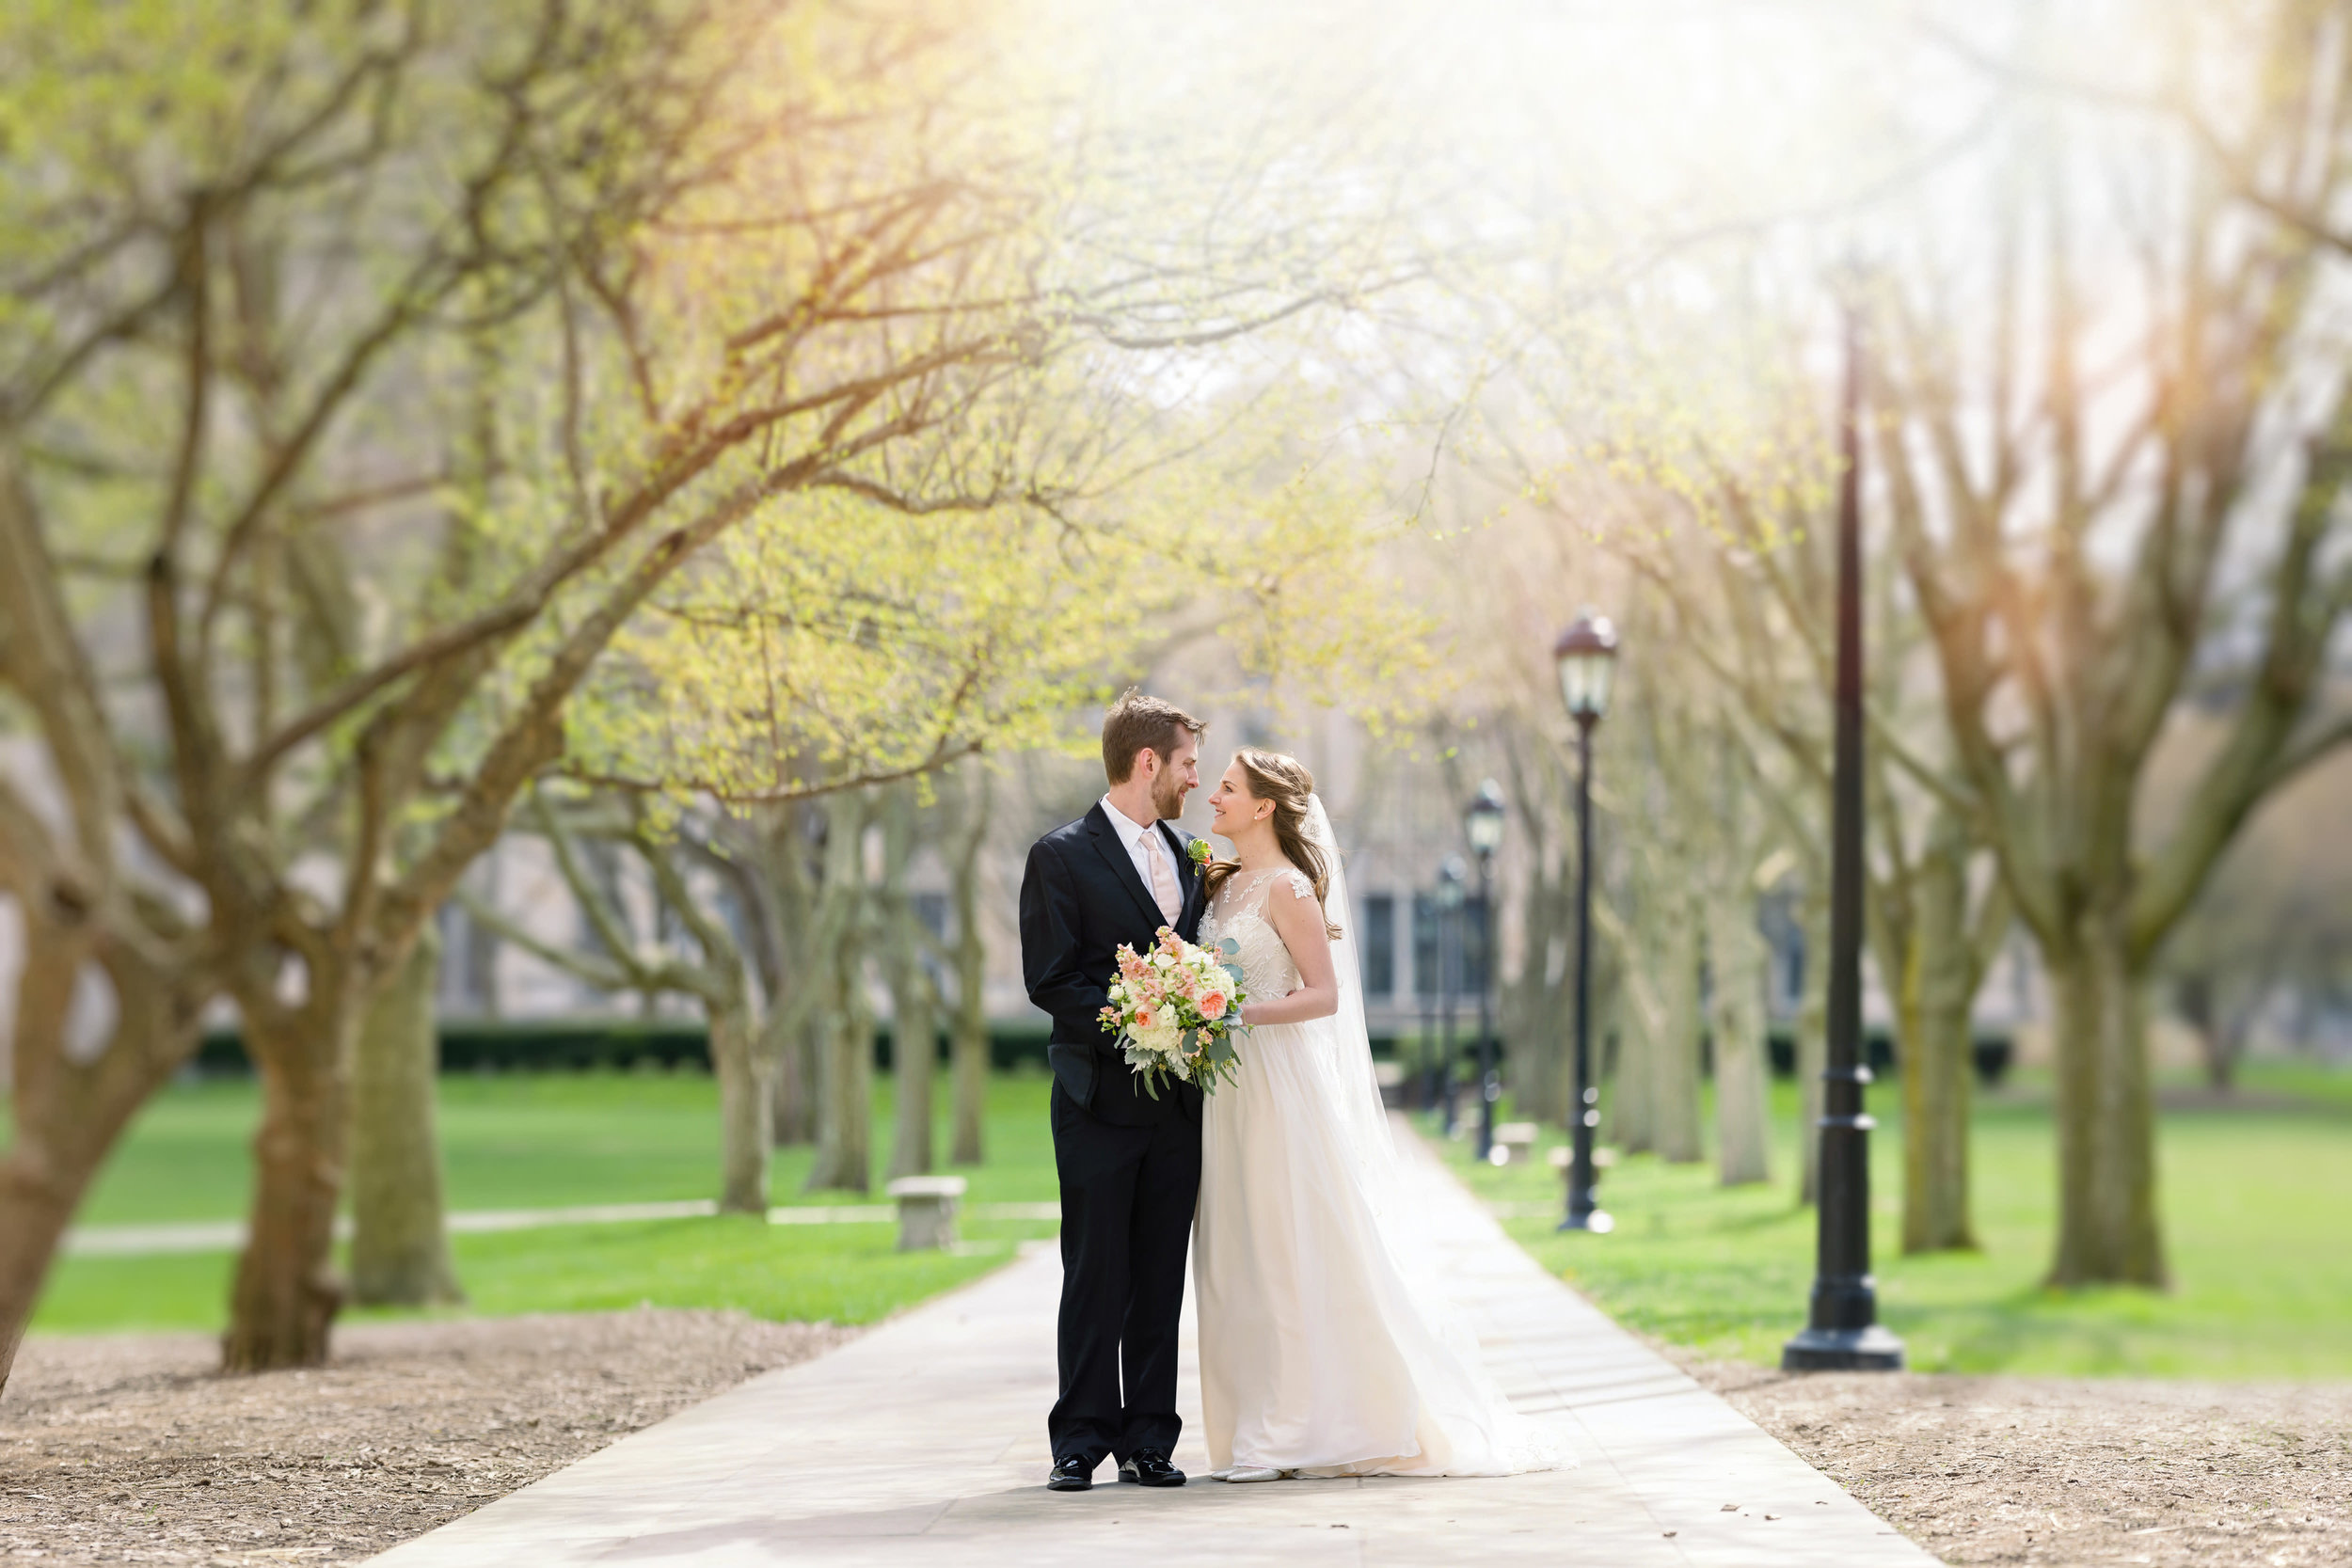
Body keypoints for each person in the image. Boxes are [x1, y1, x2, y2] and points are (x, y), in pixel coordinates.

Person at [1192, 748, 1567, 1481]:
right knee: (1234, 1258)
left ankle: (1296, 1427)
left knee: (1285, 1248)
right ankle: (1252, 1421)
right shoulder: (1222, 885)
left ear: (1265, 805)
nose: (1214, 796)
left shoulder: (1290, 889)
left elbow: (1323, 994)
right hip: (1225, 1091)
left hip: (1276, 1083)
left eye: (1229, 787)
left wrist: (1234, 1010)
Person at [1017, 689, 1209, 1493]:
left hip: (1178, 1107)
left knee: (1161, 1270)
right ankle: (1080, 1437)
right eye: (1189, 764)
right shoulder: (1059, 855)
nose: (1196, 779)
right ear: (1147, 762)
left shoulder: (1194, 857)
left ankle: (1149, 1439)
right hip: (1096, 1098)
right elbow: (1051, 978)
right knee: (1096, 1269)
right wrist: (1139, 1015)